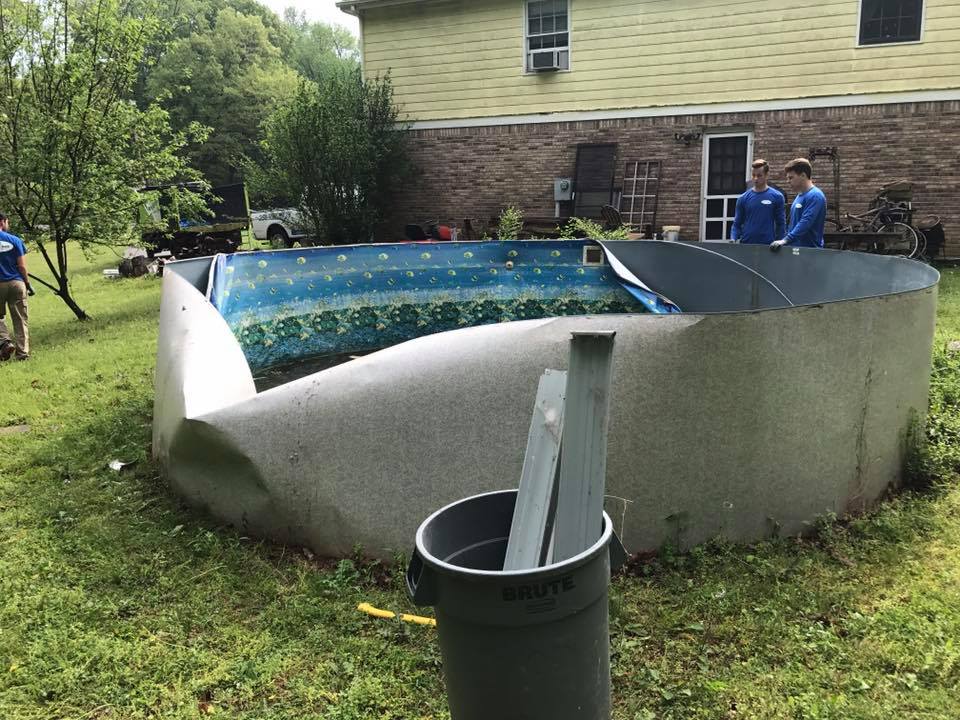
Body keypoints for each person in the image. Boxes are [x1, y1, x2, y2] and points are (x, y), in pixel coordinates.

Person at [771, 158, 827, 250]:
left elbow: (806, 222)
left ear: (803, 175)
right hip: (797, 251)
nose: (788, 181)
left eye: (791, 177)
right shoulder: (799, 196)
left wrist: (786, 240)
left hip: (809, 252)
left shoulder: (815, 196)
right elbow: (792, 224)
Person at [0, 213, 33, 361]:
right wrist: (27, 283)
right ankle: (22, 354)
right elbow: (22, 266)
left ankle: (5, 342)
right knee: (20, 319)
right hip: (16, 283)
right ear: (2, 222)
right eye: (7, 222)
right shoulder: (15, 240)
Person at [731, 159, 785, 245]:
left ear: (766, 175)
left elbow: (781, 224)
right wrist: (733, 238)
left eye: (759, 175)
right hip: (746, 244)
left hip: (768, 246)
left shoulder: (777, 196)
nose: (755, 178)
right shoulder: (743, 198)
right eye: (753, 175)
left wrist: (780, 243)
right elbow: (737, 224)